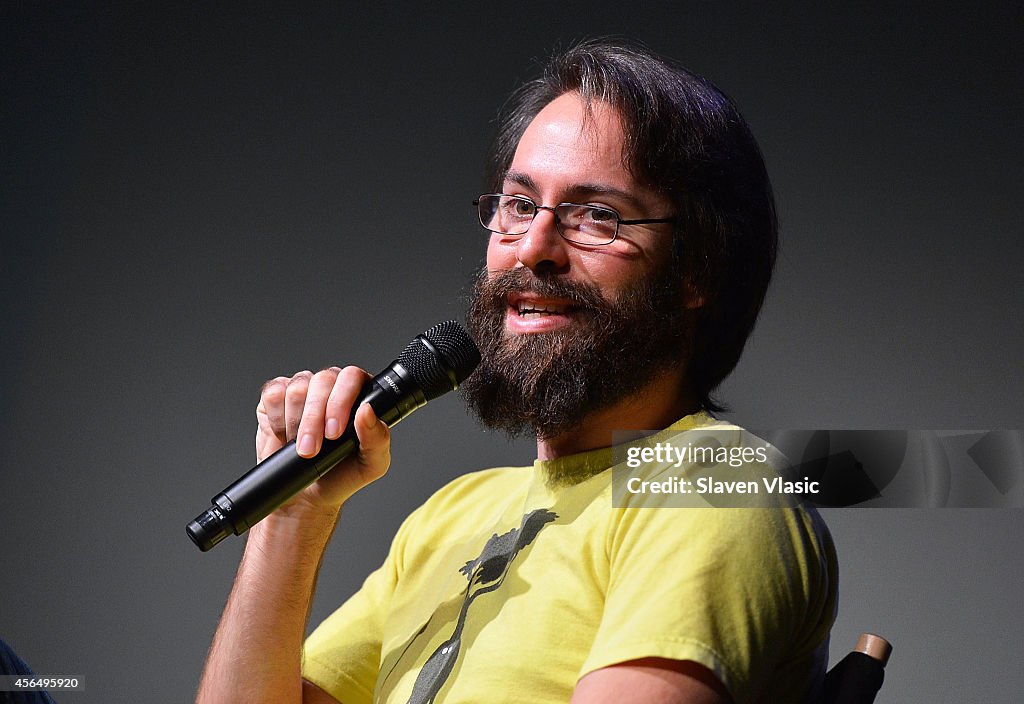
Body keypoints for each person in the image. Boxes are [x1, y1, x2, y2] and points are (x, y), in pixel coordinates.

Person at [196, 39, 837, 704]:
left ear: (696, 270)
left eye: (597, 215)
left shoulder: (709, 481)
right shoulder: (450, 517)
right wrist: (292, 519)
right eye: (519, 205)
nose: (533, 247)